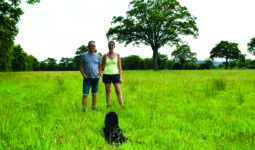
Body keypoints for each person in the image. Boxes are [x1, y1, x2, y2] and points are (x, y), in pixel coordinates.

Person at [79, 41, 102, 112]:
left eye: (93, 46)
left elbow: (100, 67)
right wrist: (83, 74)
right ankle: (84, 109)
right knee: (85, 94)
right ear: (88, 47)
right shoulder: (84, 55)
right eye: (90, 46)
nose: (92, 47)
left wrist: (99, 74)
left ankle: (93, 108)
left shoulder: (98, 56)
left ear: (95, 47)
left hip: (95, 78)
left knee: (94, 94)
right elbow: (80, 66)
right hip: (87, 78)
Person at [102, 41, 124, 108]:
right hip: (107, 75)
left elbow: (119, 67)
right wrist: (106, 69)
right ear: (108, 46)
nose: (111, 46)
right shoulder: (105, 56)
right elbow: (102, 66)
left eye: (112, 45)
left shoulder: (117, 55)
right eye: (109, 45)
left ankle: (122, 106)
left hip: (115, 75)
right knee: (108, 91)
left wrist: (120, 77)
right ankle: (108, 105)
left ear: (114, 46)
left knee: (118, 91)